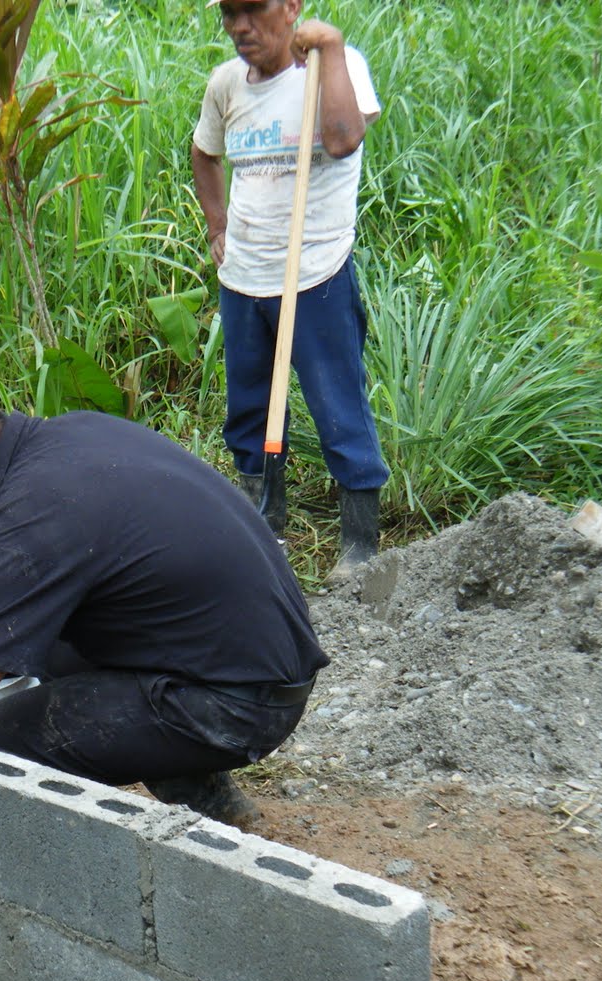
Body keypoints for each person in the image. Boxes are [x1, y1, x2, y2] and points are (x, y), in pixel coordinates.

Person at [0, 375, 327, 898]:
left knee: (4, 743)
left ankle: (74, 894)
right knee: (45, 643)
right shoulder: (69, 438)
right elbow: (90, 531)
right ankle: (199, 785)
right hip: (259, 657)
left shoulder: (34, 519)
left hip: (240, 705)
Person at [191, 0, 387, 576]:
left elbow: (345, 139)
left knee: (337, 403)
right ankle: (263, 518)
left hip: (315, 272)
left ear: (292, 8)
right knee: (248, 405)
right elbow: (204, 154)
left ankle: (360, 543)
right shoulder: (226, 83)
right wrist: (217, 224)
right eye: (230, 14)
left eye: (253, 11)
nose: (240, 27)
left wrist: (327, 49)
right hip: (245, 277)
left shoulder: (336, 64)